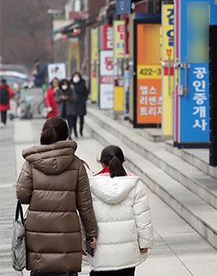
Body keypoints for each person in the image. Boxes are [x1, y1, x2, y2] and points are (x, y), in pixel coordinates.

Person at [16, 117, 98, 276]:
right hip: (66, 234)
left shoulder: (30, 163)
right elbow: (85, 204)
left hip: (38, 233)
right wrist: (91, 232)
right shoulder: (76, 164)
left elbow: (23, 197)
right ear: (66, 134)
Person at [88, 145, 153, 275]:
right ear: (122, 162)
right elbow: (142, 217)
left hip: (100, 252)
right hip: (127, 252)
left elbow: (85, 216)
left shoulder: (91, 185)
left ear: (101, 162)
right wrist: (145, 243)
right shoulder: (134, 183)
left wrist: (83, 245)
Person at [71, 72, 89, 137]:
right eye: (75, 76)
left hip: (81, 103)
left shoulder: (82, 83)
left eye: (77, 76)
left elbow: (86, 92)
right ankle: (75, 131)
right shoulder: (71, 84)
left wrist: (84, 99)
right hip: (73, 104)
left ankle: (81, 131)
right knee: (74, 119)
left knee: (81, 118)